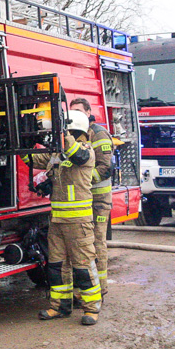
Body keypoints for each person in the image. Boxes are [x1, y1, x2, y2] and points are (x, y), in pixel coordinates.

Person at [21, 110, 102, 325]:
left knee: (83, 266)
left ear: (75, 132)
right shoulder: (56, 155)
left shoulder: (85, 151)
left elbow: (76, 153)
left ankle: (91, 308)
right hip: (57, 222)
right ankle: (59, 307)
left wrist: (62, 133)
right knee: (56, 267)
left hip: (79, 224)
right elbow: (31, 159)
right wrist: (22, 140)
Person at [70, 97, 114, 298]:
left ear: (88, 112)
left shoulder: (99, 134)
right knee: (82, 246)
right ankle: (86, 288)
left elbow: (105, 168)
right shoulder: (76, 134)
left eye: (79, 111)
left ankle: (101, 288)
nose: (75, 115)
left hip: (99, 200)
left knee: (97, 243)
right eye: (72, 111)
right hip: (83, 200)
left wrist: (83, 182)